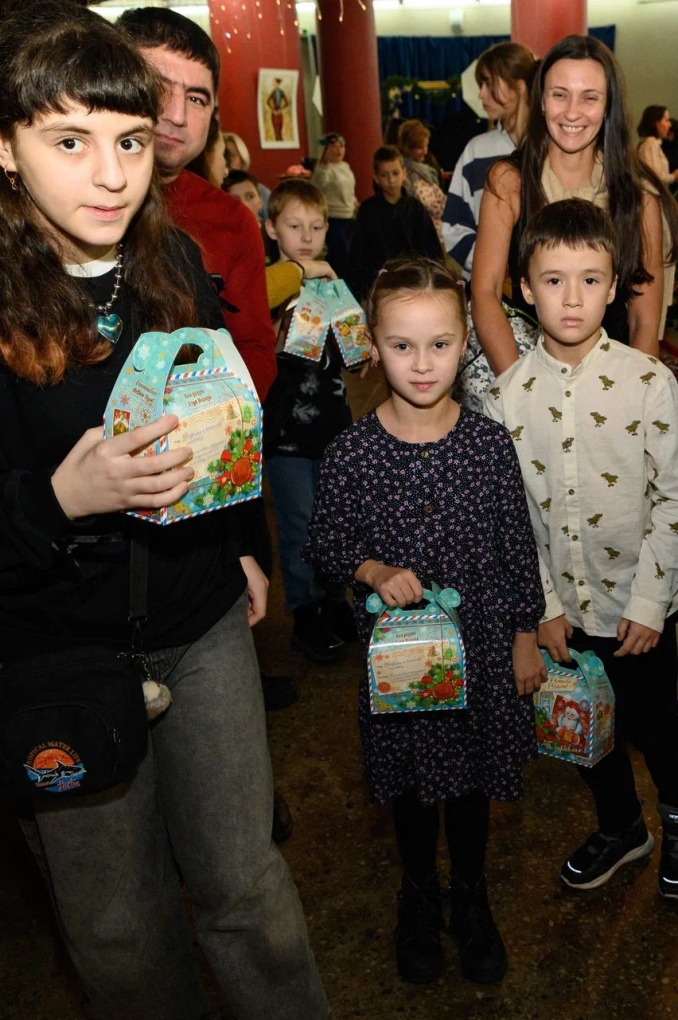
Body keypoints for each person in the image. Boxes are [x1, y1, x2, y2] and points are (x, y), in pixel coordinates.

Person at [0, 6, 330, 1020]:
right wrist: (63, 498)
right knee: (120, 932)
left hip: (198, 619)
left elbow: (214, 414)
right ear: (6, 149)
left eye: (132, 142)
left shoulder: (174, 263)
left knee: (248, 892)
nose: (111, 176)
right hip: (56, 649)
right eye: (71, 142)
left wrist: (239, 542)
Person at [305, 258, 546, 986]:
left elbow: (516, 545)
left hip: (482, 650)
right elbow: (325, 542)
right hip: (402, 664)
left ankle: (470, 894)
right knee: (411, 787)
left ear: (465, 341)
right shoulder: (351, 454)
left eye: (440, 344)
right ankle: (418, 895)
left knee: (471, 786)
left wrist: (526, 633)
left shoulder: (489, 446)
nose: (421, 363)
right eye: (402, 345)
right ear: (373, 344)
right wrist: (373, 570)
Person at [484, 199, 678, 898]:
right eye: (554, 280)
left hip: (639, 606)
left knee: (658, 727)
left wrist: (652, 601)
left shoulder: (651, 383)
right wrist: (542, 607)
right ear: (524, 288)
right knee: (584, 727)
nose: (572, 298)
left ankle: (677, 821)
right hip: (563, 609)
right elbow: (510, 519)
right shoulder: (505, 396)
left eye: (590, 280)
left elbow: (674, 499)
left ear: (615, 284)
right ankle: (622, 827)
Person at [472, 35, 678, 394]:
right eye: (559, 94)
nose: (572, 112)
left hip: (611, 378)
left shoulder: (638, 197)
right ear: (541, 101)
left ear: (608, 105)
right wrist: (522, 389)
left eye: (589, 97)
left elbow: (644, 319)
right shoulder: (509, 182)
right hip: (525, 364)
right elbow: (485, 292)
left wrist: (633, 397)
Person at [119, 6, 277, 403]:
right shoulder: (63, 202)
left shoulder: (232, 219)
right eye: (158, 87)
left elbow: (254, 350)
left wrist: (200, 423)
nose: (177, 115)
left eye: (196, 98)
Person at [264, 179, 355, 663]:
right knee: (299, 522)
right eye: (294, 226)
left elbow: (352, 352)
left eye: (316, 227)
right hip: (286, 433)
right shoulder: (267, 285)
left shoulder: (333, 284)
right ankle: (304, 611)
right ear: (272, 228)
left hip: (333, 423)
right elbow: (260, 340)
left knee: (336, 518)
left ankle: (335, 599)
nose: (306, 237)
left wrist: (363, 344)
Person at [442, 42, 536, 281]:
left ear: (520, 87)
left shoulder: (552, 148)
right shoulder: (477, 149)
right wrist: (493, 262)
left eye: (489, 83)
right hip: (488, 288)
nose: (481, 94)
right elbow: (453, 225)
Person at [347, 145, 442, 302]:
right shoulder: (368, 210)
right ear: (376, 178)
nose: (391, 180)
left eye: (395, 173)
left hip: (413, 281)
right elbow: (358, 254)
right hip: (378, 283)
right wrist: (360, 291)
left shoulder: (415, 208)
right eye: (384, 175)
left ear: (404, 173)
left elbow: (431, 248)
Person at [311, 131, 357, 280]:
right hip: (334, 217)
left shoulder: (345, 166)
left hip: (349, 215)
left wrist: (354, 200)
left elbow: (349, 189)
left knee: (351, 254)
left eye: (341, 146)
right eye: (334, 147)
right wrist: (325, 163)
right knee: (340, 255)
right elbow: (317, 187)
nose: (338, 150)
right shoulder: (323, 170)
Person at [397, 119, 447, 243]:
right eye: (420, 147)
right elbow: (427, 205)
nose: (425, 151)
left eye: (426, 146)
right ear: (407, 148)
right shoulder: (404, 175)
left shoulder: (428, 169)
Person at [222, 129, 271, 221]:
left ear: (242, 158)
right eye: (223, 155)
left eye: (231, 155)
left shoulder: (260, 191)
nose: (226, 159)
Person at [637, 106, 678, 187]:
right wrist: (674, 176)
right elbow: (655, 176)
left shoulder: (651, 143)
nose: (670, 125)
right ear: (656, 123)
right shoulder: (651, 144)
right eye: (666, 120)